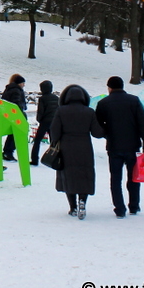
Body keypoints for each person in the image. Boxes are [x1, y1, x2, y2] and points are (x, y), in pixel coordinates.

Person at [96, 76, 144, 218]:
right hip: (132, 146)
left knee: (115, 178)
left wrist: (107, 134)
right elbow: (143, 124)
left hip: (114, 146)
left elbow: (97, 125)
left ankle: (119, 208)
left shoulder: (103, 103)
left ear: (109, 87)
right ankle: (134, 206)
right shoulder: (133, 101)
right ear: (122, 87)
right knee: (134, 177)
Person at [50, 84, 105, 219]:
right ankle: (82, 201)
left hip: (66, 147)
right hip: (84, 147)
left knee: (68, 176)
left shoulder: (61, 111)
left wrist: (54, 143)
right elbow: (97, 133)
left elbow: (54, 131)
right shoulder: (89, 112)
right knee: (84, 175)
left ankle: (73, 207)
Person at [30, 80, 59, 165]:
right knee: (53, 141)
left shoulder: (42, 99)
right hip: (54, 122)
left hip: (45, 122)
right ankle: (53, 159)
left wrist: (40, 120)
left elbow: (40, 112)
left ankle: (35, 160)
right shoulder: (56, 98)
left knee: (37, 141)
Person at [0, 74, 26, 161]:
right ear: (19, 83)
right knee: (15, 134)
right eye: (22, 83)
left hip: (7, 114)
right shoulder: (16, 91)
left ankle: (7, 152)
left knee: (12, 134)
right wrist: (21, 114)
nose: (24, 85)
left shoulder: (9, 89)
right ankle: (8, 152)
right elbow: (17, 103)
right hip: (15, 116)